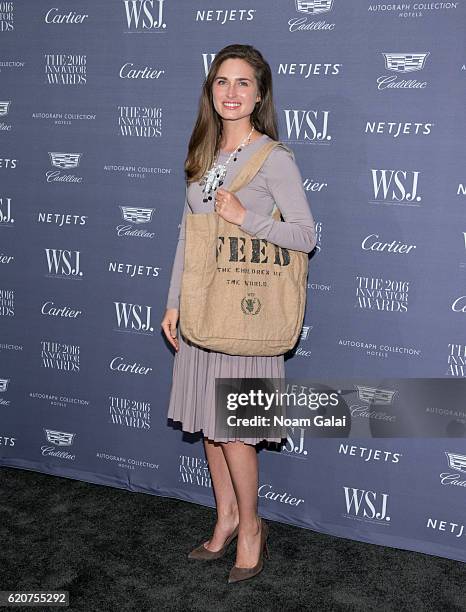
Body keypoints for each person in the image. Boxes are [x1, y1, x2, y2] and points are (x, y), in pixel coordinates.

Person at [160, 44, 317, 584]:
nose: (231, 92)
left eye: (242, 83)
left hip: (245, 315)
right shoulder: (204, 152)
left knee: (235, 429)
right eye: (222, 82)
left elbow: (304, 235)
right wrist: (174, 301)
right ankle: (225, 516)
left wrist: (246, 216)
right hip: (204, 308)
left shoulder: (274, 158)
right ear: (210, 91)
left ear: (259, 93)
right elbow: (190, 233)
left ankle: (252, 527)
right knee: (209, 423)